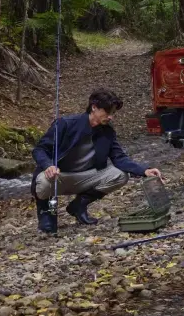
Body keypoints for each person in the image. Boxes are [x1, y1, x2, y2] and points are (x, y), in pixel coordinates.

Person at [31, 88, 165, 234]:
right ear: (94, 107)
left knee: (120, 175)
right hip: (59, 176)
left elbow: (119, 158)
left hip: (84, 177)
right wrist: (48, 165)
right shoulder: (65, 124)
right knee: (44, 183)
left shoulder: (107, 132)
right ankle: (47, 214)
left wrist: (144, 170)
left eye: (113, 113)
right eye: (108, 112)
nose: (111, 117)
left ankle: (78, 205)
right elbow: (39, 149)